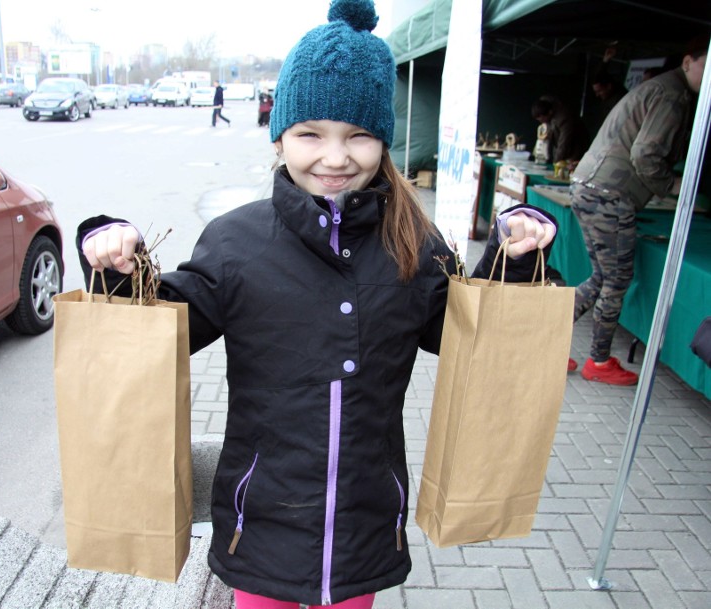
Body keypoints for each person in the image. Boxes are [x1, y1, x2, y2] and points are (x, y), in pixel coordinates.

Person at [78, 1, 556, 607]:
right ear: (280, 136)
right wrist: (116, 259)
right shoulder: (234, 240)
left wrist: (515, 258)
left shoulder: (416, 242)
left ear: (384, 139)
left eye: (358, 135)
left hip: (366, 522)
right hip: (261, 526)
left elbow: (470, 335)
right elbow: (160, 329)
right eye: (311, 134)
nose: (335, 158)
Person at [568, 35, 708, 385]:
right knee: (615, 281)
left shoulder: (665, 89)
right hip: (609, 194)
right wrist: (673, 187)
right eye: (708, 65)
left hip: (593, 187)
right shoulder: (673, 94)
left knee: (601, 278)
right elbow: (645, 155)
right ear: (688, 61)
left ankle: (543, 342)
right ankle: (598, 361)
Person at [530, 96, 590, 165]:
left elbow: (564, 144)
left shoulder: (564, 119)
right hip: (563, 148)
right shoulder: (545, 106)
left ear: (550, 112)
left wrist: (555, 163)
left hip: (576, 150)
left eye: (543, 119)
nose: (542, 122)